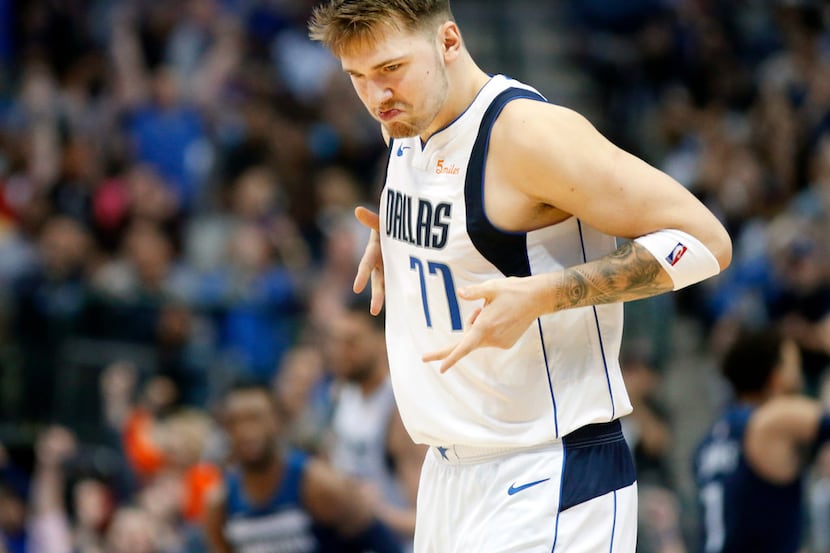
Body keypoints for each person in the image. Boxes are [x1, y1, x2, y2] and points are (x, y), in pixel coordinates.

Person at [308, 1, 732, 551]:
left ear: (450, 42)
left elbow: (704, 241)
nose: (376, 96)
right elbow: (470, 214)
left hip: (547, 471)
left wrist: (544, 294)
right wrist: (397, 235)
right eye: (357, 78)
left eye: (390, 69)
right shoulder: (406, 122)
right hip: (450, 477)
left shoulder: (528, 135)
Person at [203, 381, 401, 553]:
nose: (246, 431)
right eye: (235, 422)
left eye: (255, 418)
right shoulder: (220, 502)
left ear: (277, 421)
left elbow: (378, 537)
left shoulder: (317, 483)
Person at [693, 329, 830, 553]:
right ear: (776, 378)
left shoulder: (709, 441)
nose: (800, 375)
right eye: (794, 365)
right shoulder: (770, 420)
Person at [325, 299, 426, 550]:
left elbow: (427, 518)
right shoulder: (343, 395)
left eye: (352, 342)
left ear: (382, 341)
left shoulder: (400, 409)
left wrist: (374, 512)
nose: (340, 351)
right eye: (335, 341)